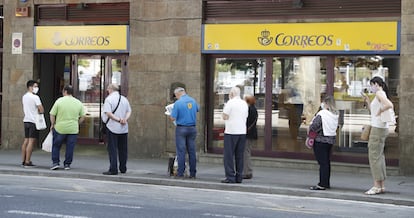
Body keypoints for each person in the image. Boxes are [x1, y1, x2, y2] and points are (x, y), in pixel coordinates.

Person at [362, 76, 394, 195]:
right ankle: (381, 185)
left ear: (376, 84)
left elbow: (389, 105)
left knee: (374, 157)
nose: (371, 88)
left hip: (377, 129)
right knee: (379, 157)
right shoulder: (382, 94)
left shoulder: (380, 94)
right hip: (382, 128)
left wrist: (380, 111)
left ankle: (376, 186)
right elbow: (374, 111)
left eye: (371, 85)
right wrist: (368, 102)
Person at [49, 85, 86, 170]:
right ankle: (67, 164)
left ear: (65, 91)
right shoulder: (78, 102)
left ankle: (55, 162)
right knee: (70, 147)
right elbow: (82, 116)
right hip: (73, 129)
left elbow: (52, 114)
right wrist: (77, 123)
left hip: (60, 128)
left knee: (56, 145)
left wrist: (52, 124)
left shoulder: (59, 101)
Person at [309, 96, 339, 190]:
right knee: (326, 162)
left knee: (322, 163)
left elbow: (314, 126)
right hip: (330, 140)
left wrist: (310, 128)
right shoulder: (335, 114)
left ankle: (322, 184)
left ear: (326, 103)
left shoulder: (322, 114)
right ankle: (326, 182)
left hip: (320, 140)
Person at [102, 84, 132, 175]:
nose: (107, 91)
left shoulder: (109, 99)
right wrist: (125, 119)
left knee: (112, 149)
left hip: (112, 127)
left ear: (110, 90)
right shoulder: (124, 99)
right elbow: (129, 111)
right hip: (123, 128)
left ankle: (113, 169)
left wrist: (118, 120)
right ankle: (123, 168)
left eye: (108, 89)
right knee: (123, 149)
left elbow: (108, 113)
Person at [169, 87, 199, 179]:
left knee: (181, 151)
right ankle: (193, 173)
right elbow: (197, 109)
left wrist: (170, 114)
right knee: (192, 151)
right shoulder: (193, 101)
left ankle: (180, 172)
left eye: (176, 95)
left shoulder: (178, 103)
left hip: (181, 128)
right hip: (192, 128)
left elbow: (173, 118)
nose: (176, 97)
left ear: (178, 94)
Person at [221, 87, 248, 183]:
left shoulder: (230, 103)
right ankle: (239, 176)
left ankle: (230, 176)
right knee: (239, 155)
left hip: (231, 131)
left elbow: (225, 116)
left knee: (228, 156)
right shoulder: (244, 103)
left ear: (232, 94)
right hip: (242, 131)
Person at [21, 80, 44, 168]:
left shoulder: (24, 97)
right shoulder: (35, 97)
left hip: (26, 120)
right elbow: (41, 109)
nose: (36, 88)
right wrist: (38, 111)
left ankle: (23, 159)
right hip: (33, 121)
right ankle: (28, 161)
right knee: (31, 141)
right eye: (35, 86)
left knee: (26, 140)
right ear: (30, 87)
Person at [243, 95, 258, 179]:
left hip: (248, 134)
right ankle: (246, 171)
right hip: (251, 133)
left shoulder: (249, 110)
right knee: (246, 151)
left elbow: (247, 121)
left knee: (245, 152)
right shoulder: (253, 109)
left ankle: (247, 171)